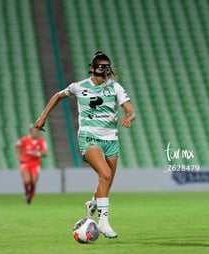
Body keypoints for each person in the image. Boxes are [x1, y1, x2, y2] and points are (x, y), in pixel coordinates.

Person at [34, 51, 136, 238]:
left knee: (107, 182)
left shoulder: (115, 87)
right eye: (100, 67)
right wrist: (42, 117)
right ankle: (103, 223)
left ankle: (92, 205)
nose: (104, 70)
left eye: (107, 67)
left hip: (111, 139)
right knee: (105, 174)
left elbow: (130, 111)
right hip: (89, 137)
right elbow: (58, 96)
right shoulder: (79, 87)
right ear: (93, 68)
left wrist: (129, 117)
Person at [14, 125, 48, 205]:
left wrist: (38, 154)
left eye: (36, 132)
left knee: (33, 183)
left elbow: (45, 153)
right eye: (34, 131)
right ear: (30, 132)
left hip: (35, 164)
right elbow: (16, 147)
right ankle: (26, 192)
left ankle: (29, 198)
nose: (35, 133)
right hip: (25, 163)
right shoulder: (24, 140)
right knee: (27, 180)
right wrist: (19, 157)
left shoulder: (41, 141)